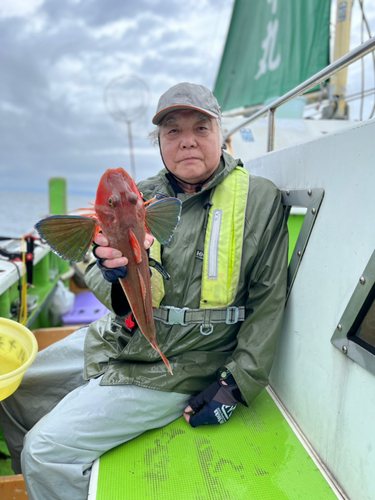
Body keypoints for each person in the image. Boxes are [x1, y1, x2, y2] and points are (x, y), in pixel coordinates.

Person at [0, 82, 288, 500]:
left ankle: (46, 476)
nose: (187, 141)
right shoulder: (141, 194)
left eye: (201, 128)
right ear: (160, 143)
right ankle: (40, 488)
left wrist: (237, 383)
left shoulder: (259, 199)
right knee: (13, 391)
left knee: (45, 452)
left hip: (180, 364)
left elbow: (269, 300)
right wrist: (110, 274)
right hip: (119, 338)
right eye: (172, 131)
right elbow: (100, 273)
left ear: (220, 135)